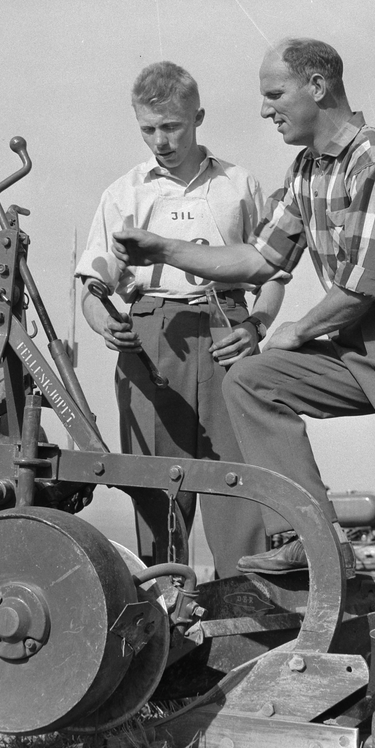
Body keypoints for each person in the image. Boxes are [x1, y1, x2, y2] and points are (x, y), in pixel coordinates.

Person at [113, 38, 375, 578]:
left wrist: (292, 330)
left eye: (275, 94)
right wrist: (164, 249)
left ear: (318, 87)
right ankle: (314, 537)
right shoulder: (307, 170)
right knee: (254, 379)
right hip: (357, 336)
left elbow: (366, 282)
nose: (265, 110)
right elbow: (259, 257)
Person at [75, 61, 285, 578]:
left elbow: (274, 275)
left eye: (171, 127)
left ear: (198, 118)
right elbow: (92, 285)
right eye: (148, 129)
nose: (160, 141)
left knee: (238, 480)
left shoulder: (239, 186)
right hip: (149, 339)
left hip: (226, 332)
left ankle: (245, 603)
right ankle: (168, 608)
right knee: (156, 487)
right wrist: (104, 322)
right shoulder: (124, 194)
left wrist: (256, 326)